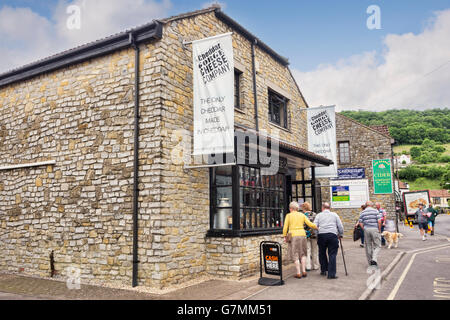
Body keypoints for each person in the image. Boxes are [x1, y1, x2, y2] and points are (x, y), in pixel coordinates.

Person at [283, 201, 318, 279]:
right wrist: (317, 227)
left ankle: (298, 273)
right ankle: (304, 271)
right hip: (302, 235)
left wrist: (284, 236)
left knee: (295, 254)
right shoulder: (302, 215)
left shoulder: (288, 215)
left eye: (289, 208)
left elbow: (285, 227)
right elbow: (310, 224)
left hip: (293, 235)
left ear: (291, 208)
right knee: (303, 253)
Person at [314, 202, 344, 279]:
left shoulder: (319, 215)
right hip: (332, 235)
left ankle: (323, 270)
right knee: (332, 254)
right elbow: (340, 226)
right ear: (329, 208)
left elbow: (314, 226)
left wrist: (317, 234)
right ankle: (331, 274)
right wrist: (340, 234)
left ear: (322, 208)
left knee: (322, 253)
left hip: (322, 235)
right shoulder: (334, 215)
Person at [359, 201, 382, 267]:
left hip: (366, 229)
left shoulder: (362, 212)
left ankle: (370, 263)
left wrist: (364, 228)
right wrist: (379, 229)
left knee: (368, 246)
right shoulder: (375, 211)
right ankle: (374, 259)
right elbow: (379, 221)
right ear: (371, 205)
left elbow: (360, 222)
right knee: (377, 245)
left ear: (366, 205)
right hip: (375, 229)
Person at [301, 202, 319, 271]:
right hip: (314, 234)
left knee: (307, 251)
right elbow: (316, 224)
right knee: (315, 250)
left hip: (306, 235)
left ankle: (308, 266)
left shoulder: (303, 215)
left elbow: (302, 226)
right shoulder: (315, 214)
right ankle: (315, 265)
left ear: (304, 208)